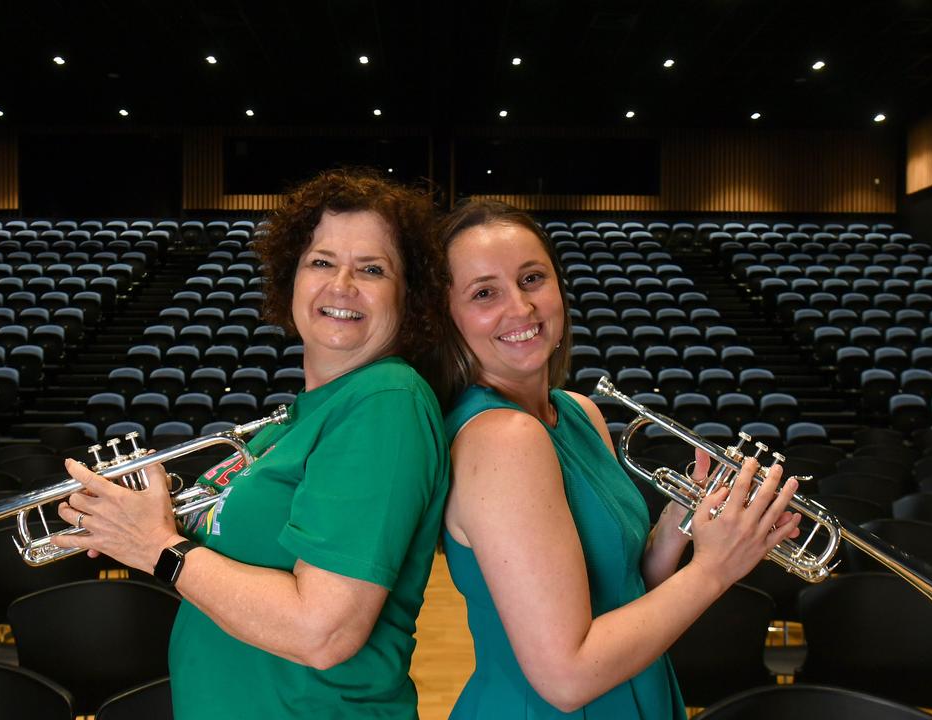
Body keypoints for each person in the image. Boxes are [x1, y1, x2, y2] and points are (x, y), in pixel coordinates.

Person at [51, 169, 451, 719]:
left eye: (373, 269)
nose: (342, 284)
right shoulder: (289, 422)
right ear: (290, 280)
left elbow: (324, 631)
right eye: (321, 261)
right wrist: (151, 516)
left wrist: (156, 549)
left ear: (410, 297)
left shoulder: (386, 401)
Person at [433, 199, 802, 718]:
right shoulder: (501, 438)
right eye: (484, 293)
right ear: (447, 317)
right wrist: (715, 570)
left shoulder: (577, 413)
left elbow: (622, 592)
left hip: (634, 688)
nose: (520, 308)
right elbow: (566, 676)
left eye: (532, 278)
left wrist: (679, 526)